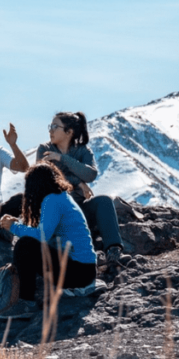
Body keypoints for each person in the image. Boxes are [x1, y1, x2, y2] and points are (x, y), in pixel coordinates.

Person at [0, 162, 98, 319]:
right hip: (86, 271)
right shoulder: (62, 197)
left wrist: (14, 227)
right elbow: (44, 230)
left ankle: (26, 303)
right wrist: (18, 224)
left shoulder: (52, 200)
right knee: (29, 243)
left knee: (25, 245)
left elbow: (42, 236)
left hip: (79, 273)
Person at [36, 111, 125, 271]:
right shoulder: (44, 149)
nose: (50, 130)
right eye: (51, 126)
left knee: (104, 201)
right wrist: (77, 183)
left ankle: (113, 252)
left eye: (55, 126)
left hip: (79, 210)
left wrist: (61, 158)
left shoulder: (83, 151)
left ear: (69, 132)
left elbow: (90, 174)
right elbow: (45, 180)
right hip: (54, 212)